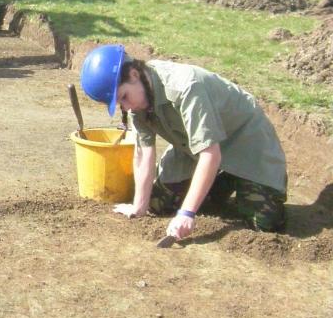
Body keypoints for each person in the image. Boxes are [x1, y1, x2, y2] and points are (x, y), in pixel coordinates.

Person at [80, 44, 288, 241]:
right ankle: (218, 181)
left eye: (124, 97)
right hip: (191, 149)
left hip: (245, 143)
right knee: (158, 203)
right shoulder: (138, 103)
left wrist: (186, 213)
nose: (125, 107)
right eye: (119, 103)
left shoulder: (185, 87)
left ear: (134, 74)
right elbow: (143, 153)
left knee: (264, 222)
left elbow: (210, 154)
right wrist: (139, 207)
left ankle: (232, 178)